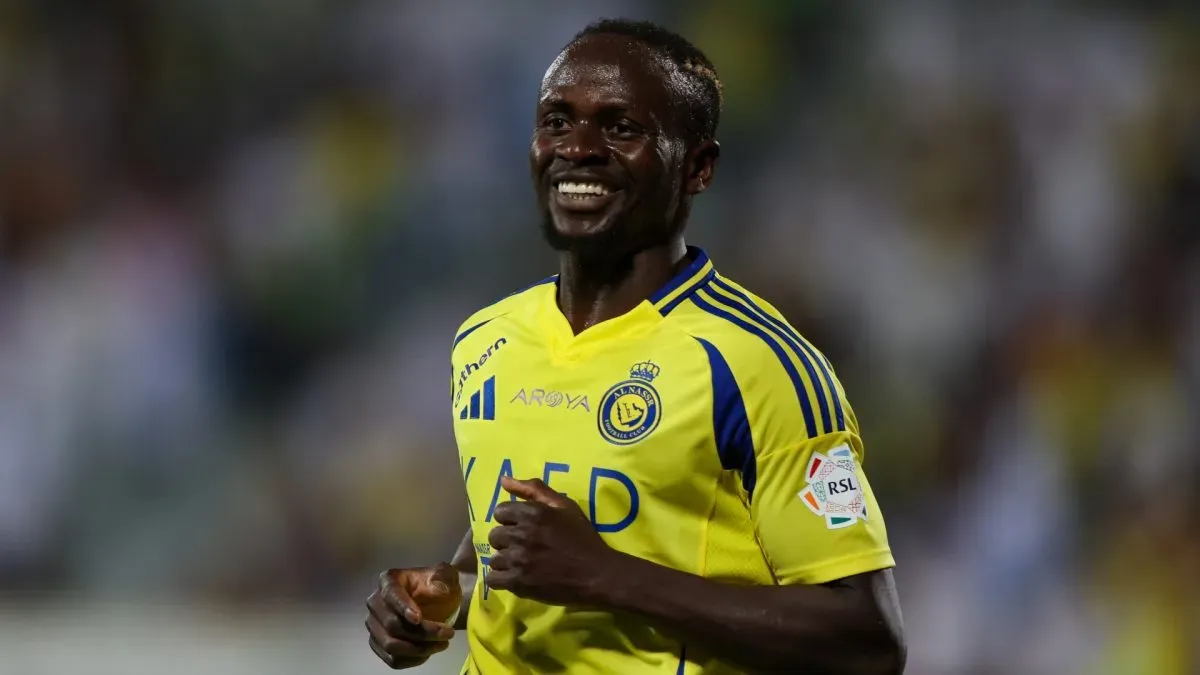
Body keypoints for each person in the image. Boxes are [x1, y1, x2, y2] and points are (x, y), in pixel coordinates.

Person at [365, 18, 905, 675]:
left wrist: (604, 575)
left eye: (620, 128)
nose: (579, 148)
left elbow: (869, 638)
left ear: (698, 168)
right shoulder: (486, 339)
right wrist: (446, 590)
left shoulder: (756, 365)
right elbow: (520, 531)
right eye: (557, 121)